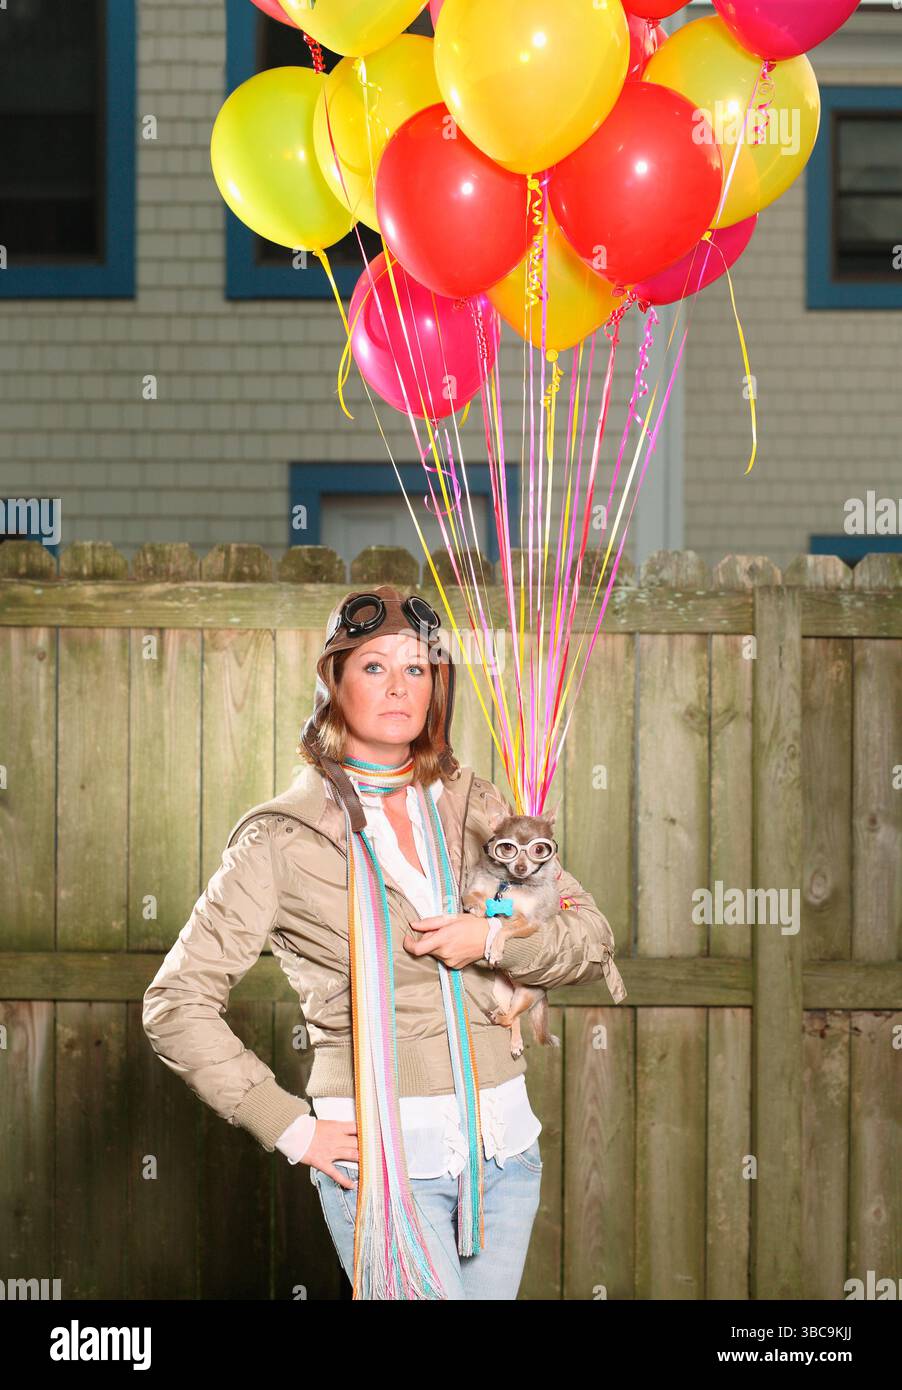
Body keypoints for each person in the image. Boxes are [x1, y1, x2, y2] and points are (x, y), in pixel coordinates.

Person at [142, 584, 626, 1300]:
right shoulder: (280, 838)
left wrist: (492, 939)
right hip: (386, 1166)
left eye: (418, 668)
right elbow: (175, 1004)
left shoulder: (478, 806)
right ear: (332, 682)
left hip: (506, 1157)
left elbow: (590, 942)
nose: (400, 686)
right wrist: (289, 1127)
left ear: (438, 687)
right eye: (373, 666)